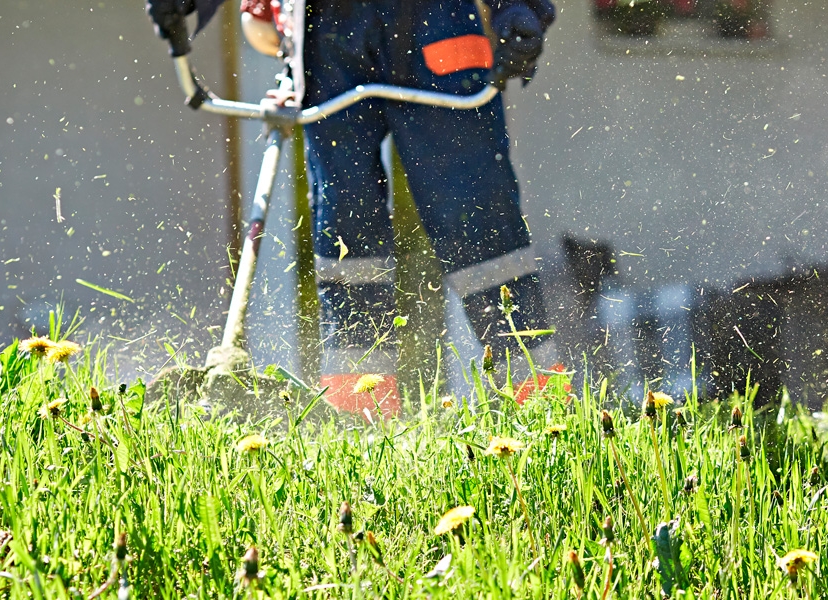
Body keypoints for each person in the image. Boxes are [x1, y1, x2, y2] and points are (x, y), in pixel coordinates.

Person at [146, 0, 557, 417]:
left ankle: (539, 415)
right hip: (329, 35)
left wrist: (519, 8)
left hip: (437, 19)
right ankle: (358, 423)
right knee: (347, 232)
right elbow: (261, 32)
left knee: (479, 223)